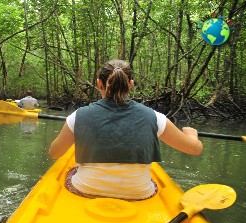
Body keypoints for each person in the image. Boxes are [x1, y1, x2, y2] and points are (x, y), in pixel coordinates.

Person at [48, 59, 203, 200]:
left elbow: (54, 153)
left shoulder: (78, 116)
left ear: (99, 84)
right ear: (130, 84)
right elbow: (195, 149)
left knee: (71, 172)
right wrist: (191, 134)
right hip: (140, 194)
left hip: (86, 189)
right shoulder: (155, 118)